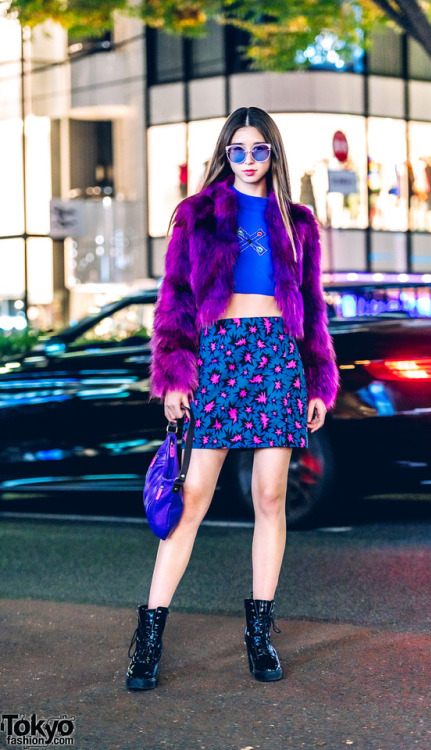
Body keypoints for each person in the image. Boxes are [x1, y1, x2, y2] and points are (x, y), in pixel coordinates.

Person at [126, 106, 339, 690]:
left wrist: (320, 378)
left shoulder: (298, 223)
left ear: (274, 153)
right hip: (219, 354)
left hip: (278, 357)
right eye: (238, 150)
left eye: (259, 150)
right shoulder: (196, 217)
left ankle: (259, 635)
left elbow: (314, 309)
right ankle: (148, 637)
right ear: (226, 154)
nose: (248, 160)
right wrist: (172, 375)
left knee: (270, 497)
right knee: (193, 498)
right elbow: (174, 298)